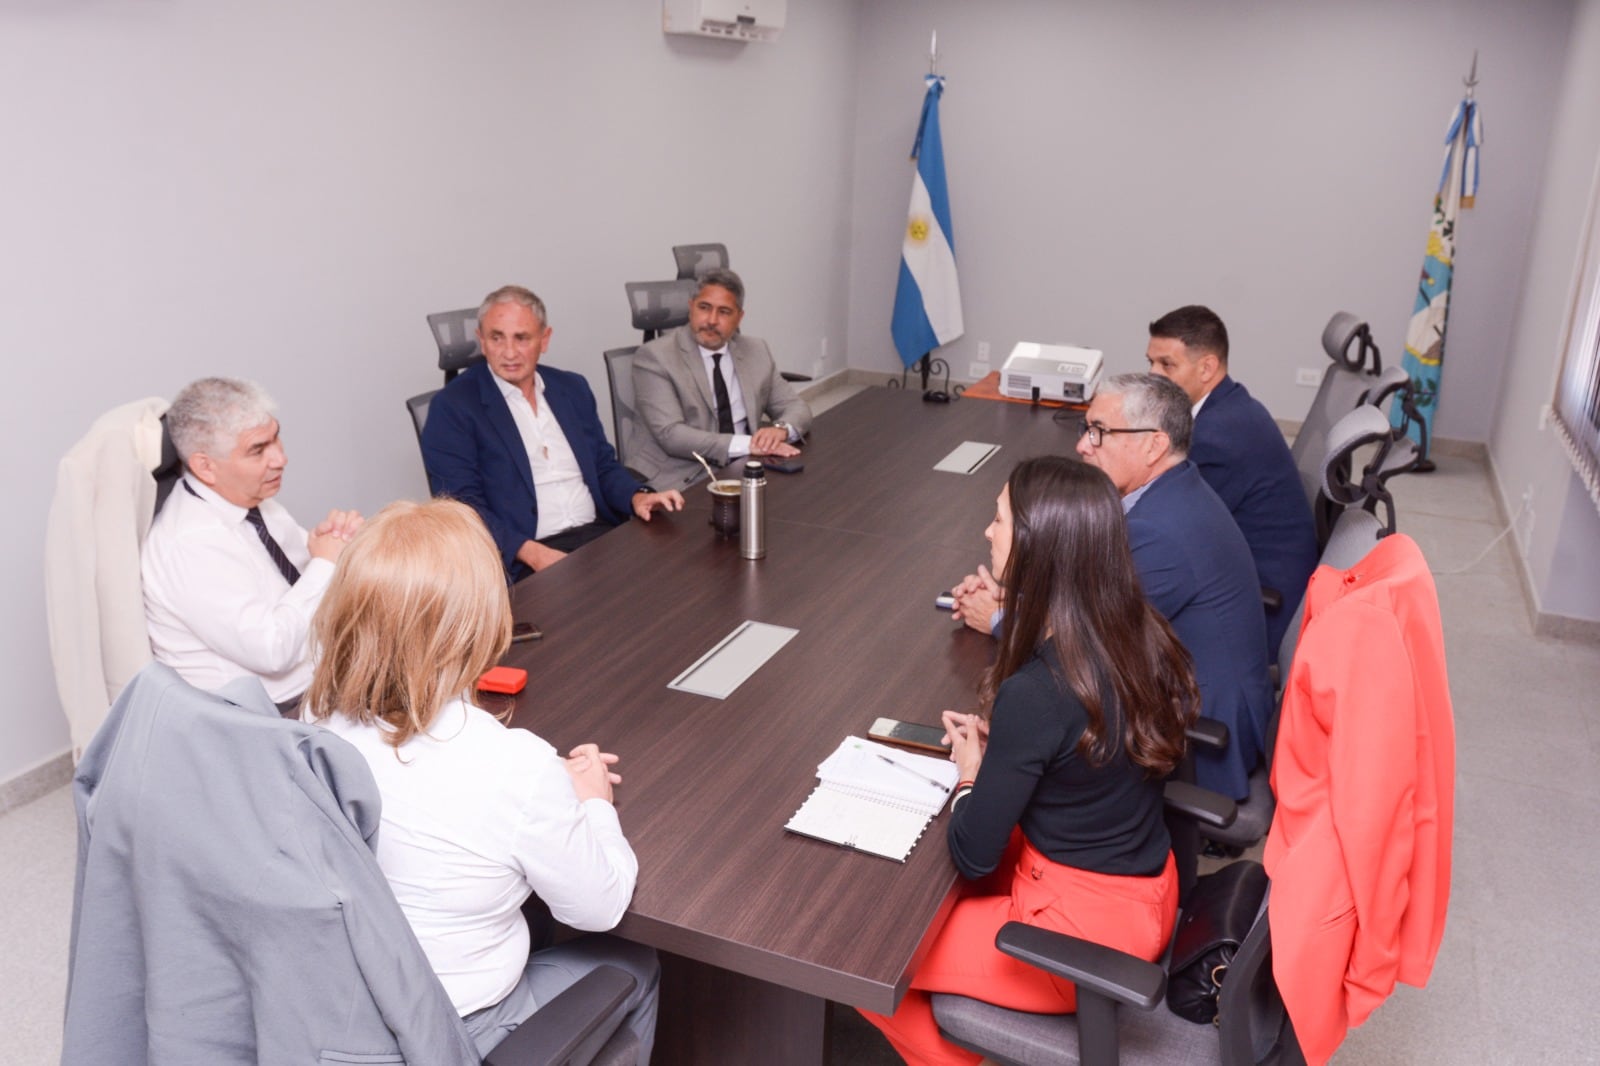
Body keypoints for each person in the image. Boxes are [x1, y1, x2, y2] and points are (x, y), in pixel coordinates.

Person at [861, 457, 1197, 1066]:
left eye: (998, 519)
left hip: (1074, 941)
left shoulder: (1040, 690)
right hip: (1148, 895)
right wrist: (1012, 752)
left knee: (862, 957)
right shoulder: (1138, 633)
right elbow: (1080, 750)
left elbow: (973, 851)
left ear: (1040, 547)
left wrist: (971, 772)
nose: (987, 532)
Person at [306, 498, 659, 1061]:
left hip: (339, 1019)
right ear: (479, 621)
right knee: (633, 965)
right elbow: (600, 907)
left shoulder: (312, 725)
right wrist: (592, 805)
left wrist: (543, 794)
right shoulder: (513, 766)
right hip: (451, 1030)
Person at [951, 374, 1271, 800]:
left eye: (1099, 431)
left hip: (1194, 738)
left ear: (1154, 445)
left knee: (1018, 758)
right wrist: (1017, 595)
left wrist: (996, 618)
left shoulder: (1158, 532)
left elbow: (1079, 650)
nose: (1083, 445)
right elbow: (1092, 600)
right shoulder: (1171, 494)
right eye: (1086, 429)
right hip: (1180, 695)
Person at [421, 285, 684, 580]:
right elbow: (462, 508)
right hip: (525, 558)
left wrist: (636, 496)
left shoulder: (571, 388)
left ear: (544, 340)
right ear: (481, 341)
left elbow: (602, 465)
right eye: (497, 338)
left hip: (599, 537)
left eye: (521, 338)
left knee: (681, 575)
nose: (509, 352)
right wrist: (531, 552)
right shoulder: (453, 407)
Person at [141, 377, 362, 715]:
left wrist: (330, 547)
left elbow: (302, 580)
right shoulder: (191, 545)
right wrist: (325, 565)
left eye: (276, 437)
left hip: (322, 675)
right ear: (205, 466)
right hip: (270, 716)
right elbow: (273, 651)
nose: (280, 458)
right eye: (258, 450)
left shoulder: (254, 504)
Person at [1146, 305, 1318, 662]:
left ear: (1207, 368)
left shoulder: (1216, 438)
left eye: (1166, 365)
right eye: (1151, 362)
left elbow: (1169, 531)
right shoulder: (1229, 406)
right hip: (1259, 576)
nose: (1153, 375)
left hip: (1260, 615)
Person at [630, 268, 813, 490]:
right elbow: (672, 435)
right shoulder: (655, 356)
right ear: (691, 307)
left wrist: (781, 429)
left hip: (743, 465)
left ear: (739, 317)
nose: (711, 320)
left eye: (724, 312)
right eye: (704, 308)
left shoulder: (756, 350)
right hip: (681, 474)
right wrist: (751, 444)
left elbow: (795, 406)